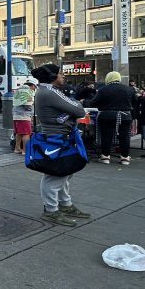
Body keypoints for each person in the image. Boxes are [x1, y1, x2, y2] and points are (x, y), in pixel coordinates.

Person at [32, 64, 92, 226]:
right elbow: (79, 110)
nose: (63, 76)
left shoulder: (45, 91)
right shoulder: (50, 92)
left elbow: (74, 109)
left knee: (65, 172)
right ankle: (51, 210)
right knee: (55, 175)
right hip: (57, 137)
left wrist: (69, 112)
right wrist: (72, 112)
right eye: (60, 73)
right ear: (53, 76)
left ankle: (65, 205)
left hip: (58, 136)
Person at [90, 71, 136, 166]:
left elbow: (93, 103)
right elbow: (135, 103)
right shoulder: (129, 89)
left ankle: (105, 157)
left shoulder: (103, 90)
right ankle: (125, 158)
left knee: (106, 136)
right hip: (125, 115)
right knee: (124, 137)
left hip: (107, 115)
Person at [12, 77, 38, 154]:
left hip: (16, 115)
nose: (34, 89)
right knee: (26, 134)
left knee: (19, 133)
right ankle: (25, 150)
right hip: (24, 116)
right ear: (33, 86)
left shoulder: (19, 90)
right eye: (35, 87)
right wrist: (31, 112)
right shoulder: (28, 92)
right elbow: (27, 105)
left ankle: (17, 148)